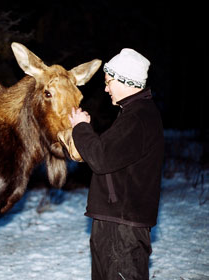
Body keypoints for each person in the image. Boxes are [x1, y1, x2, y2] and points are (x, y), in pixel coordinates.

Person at [68, 48, 164, 279]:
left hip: (122, 228)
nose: (106, 88)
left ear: (124, 80)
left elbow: (100, 159)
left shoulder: (138, 118)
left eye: (109, 81)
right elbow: (110, 154)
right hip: (117, 222)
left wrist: (80, 128)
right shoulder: (134, 114)